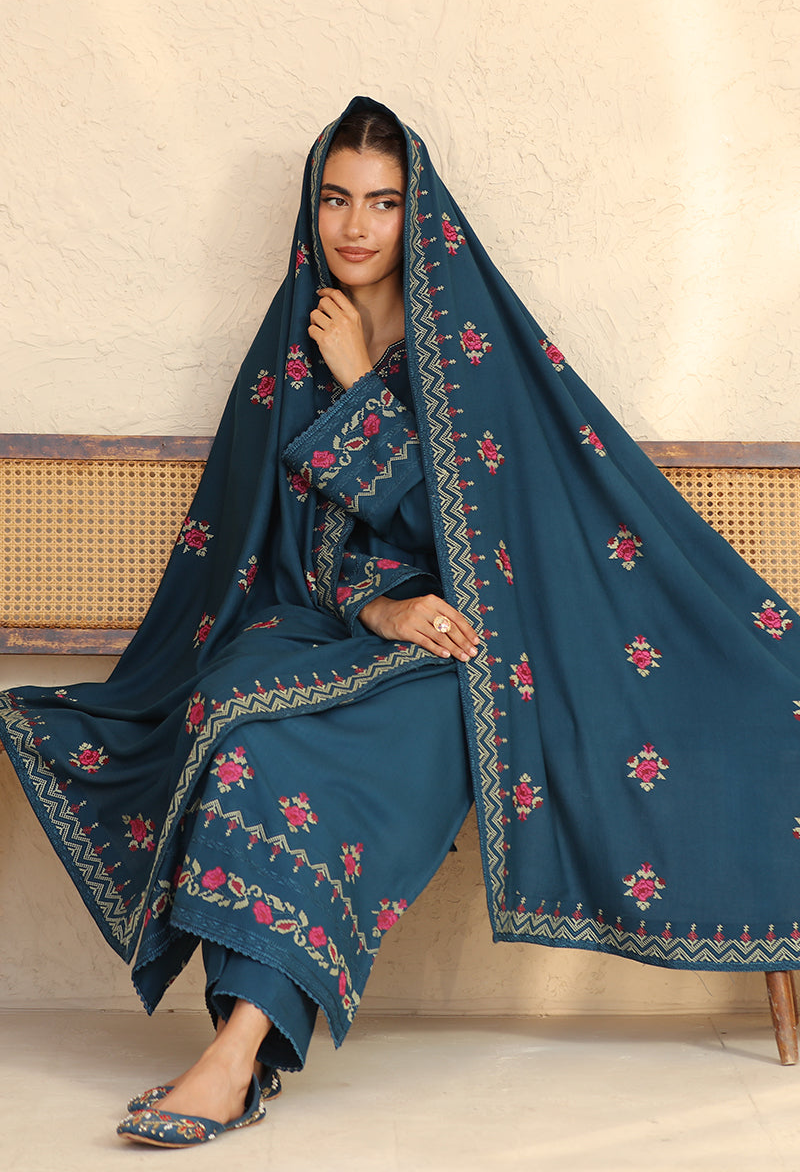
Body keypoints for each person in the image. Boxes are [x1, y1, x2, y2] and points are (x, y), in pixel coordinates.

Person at [3, 97, 800, 1147]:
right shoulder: (293, 340)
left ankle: (232, 1057)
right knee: (241, 736)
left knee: (311, 761)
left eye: (381, 201)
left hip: (471, 650)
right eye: (335, 198)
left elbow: (492, 528)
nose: (354, 225)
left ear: (415, 213)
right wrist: (379, 603)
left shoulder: (469, 348)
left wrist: (358, 402)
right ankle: (240, 1052)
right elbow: (265, 542)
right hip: (331, 627)